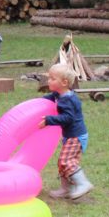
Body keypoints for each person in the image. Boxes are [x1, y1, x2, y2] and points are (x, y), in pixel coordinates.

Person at [40, 64, 94, 199]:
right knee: (62, 162)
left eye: (52, 78)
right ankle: (66, 189)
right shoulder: (59, 94)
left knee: (66, 161)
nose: (48, 81)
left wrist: (48, 120)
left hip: (76, 136)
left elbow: (68, 118)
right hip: (69, 136)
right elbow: (48, 99)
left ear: (64, 82)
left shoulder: (68, 99)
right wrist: (36, 104)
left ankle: (83, 183)